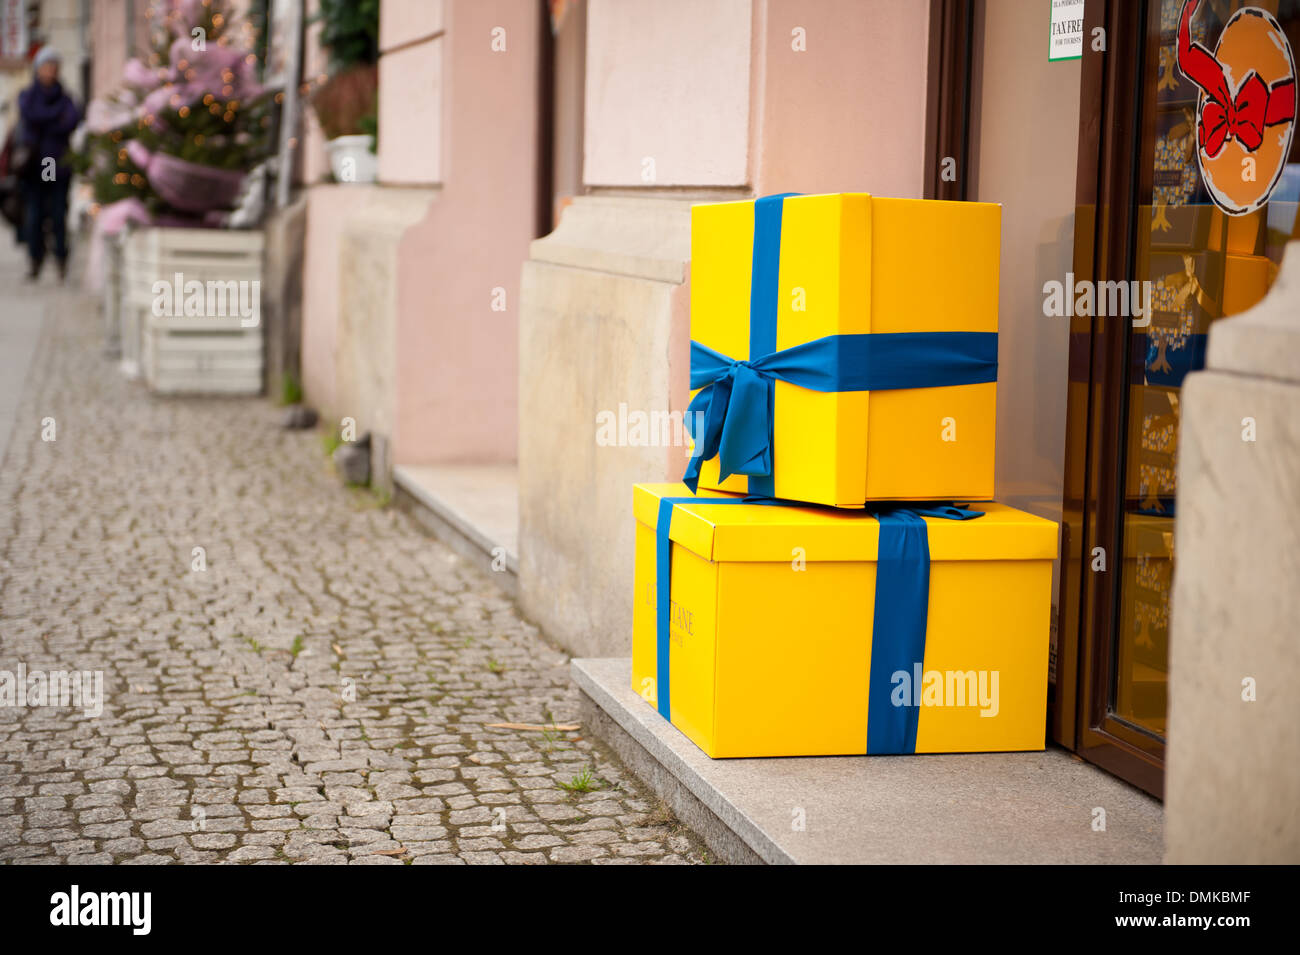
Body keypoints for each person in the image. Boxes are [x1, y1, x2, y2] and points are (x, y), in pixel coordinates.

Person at [17, 46, 80, 281]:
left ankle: (61, 257)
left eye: (54, 66)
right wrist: (54, 119)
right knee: (34, 215)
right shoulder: (29, 96)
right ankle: (35, 258)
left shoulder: (65, 97)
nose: (50, 70)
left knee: (56, 213)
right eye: (46, 65)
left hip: (55, 164)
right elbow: (31, 116)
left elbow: (71, 120)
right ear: (38, 69)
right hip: (35, 165)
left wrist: (45, 121)